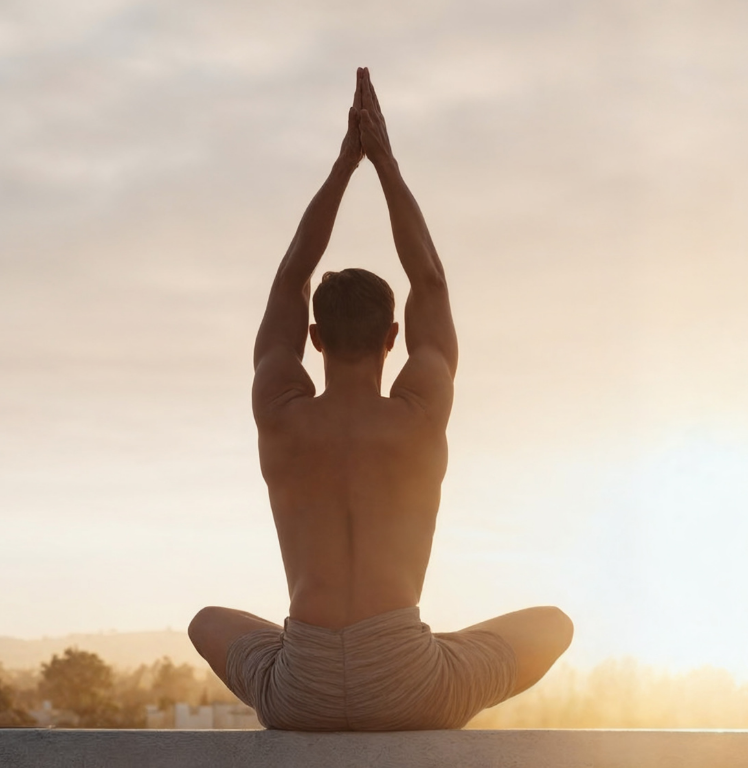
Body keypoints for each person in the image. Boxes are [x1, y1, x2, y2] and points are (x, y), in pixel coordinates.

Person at [187, 68, 573, 731]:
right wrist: (384, 162)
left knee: (206, 623)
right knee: (553, 626)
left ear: (313, 338)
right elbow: (430, 278)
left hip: (300, 689)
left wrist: (343, 167)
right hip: (408, 683)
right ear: (394, 337)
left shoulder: (279, 409)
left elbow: (289, 277)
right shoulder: (420, 413)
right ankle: (426, 654)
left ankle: (358, 655)